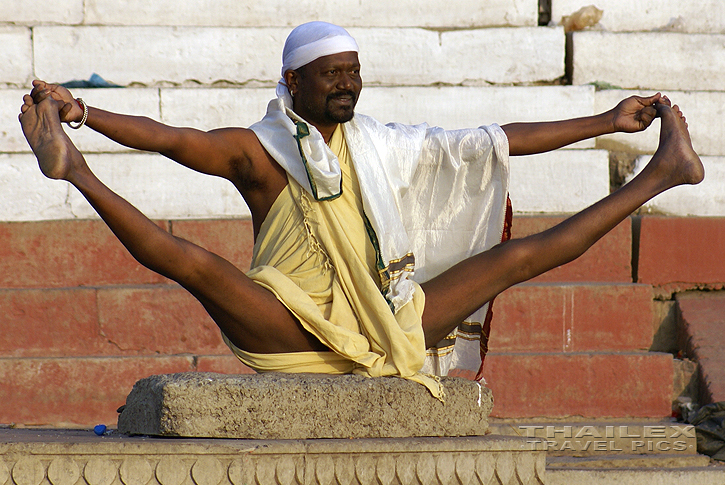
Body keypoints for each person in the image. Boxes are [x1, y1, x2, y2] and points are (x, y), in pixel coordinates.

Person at [20, 22, 703, 397]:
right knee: (195, 264)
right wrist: (82, 113)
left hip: (387, 317)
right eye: (332, 74)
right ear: (293, 82)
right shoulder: (257, 152)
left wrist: (601, 119)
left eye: (353, 71)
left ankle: (665, 172)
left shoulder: (380, 143)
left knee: (515, 257)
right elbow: (174, 139)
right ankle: (75, 171)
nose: (347, 83)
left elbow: (493, 141)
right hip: (287, 322)